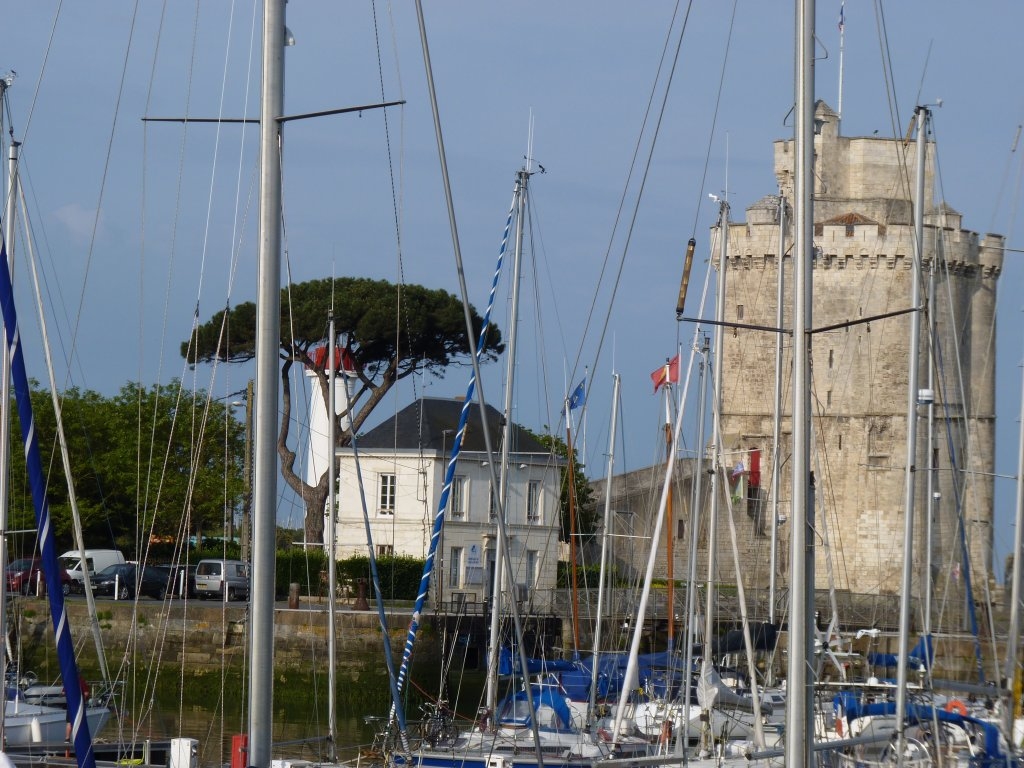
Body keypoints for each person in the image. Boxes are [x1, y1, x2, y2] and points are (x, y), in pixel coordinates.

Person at [63, 673, 92, 743]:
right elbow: (86, 693)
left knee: (69, 722)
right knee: (81, 722)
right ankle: (80, 739)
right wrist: (84, 698)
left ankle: (67, 739)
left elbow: (63, 693)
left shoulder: (68, 681)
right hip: (79, 705)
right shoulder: (81, 681)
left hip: (70, 704)